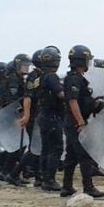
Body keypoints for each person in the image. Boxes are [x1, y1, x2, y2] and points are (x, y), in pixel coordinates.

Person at [60, 44, 104, 198]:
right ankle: (88, 187)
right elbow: (73, 102)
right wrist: (80, 122)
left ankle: (67, 187)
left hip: (73, 122)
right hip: (75, 123)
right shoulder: (74, 79)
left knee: (72, 156)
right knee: (85, 155)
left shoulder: (77, 78)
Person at [24, 46, 66, 191]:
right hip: (52, 116)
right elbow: (61, 94)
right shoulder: (51, 76)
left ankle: (41, 178)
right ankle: (49, 180)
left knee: (46, 149)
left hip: (43, 115)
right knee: (56, 148)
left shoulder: (39, 78)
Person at [0, 53, 33, 186]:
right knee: (16, 146)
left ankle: (9, 172)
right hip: (12, 115)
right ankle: (7, 172)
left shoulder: (17, 78)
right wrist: (22, 112)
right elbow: (13, 100)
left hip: (14, 114)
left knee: (18, 145)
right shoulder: (13, 79)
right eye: (25, 65)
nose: (27, 67)